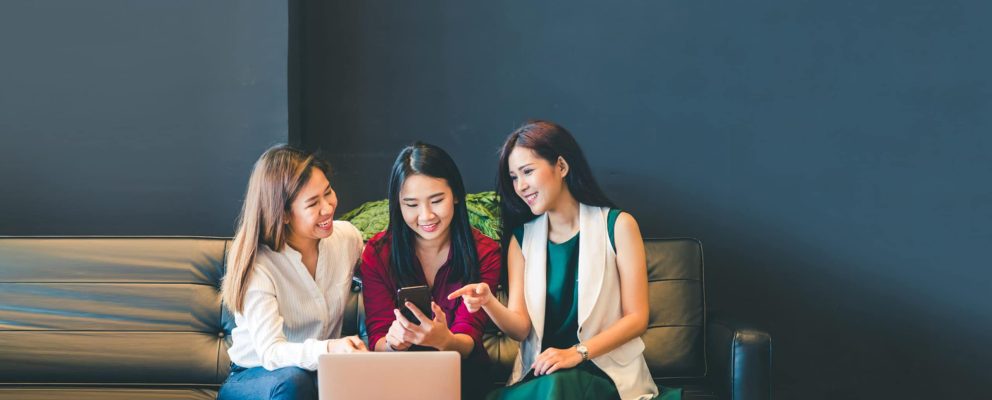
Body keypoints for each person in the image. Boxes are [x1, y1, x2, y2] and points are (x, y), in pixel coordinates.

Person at [449, 121, 681, 400]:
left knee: (561, 386)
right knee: (554, 385)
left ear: (561, 166)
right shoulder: (521, 239)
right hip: (543, 375)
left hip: (602, 372)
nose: (521, 186)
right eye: (513, 177)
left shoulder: (618, 225)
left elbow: (637, 318)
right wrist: (488, 302)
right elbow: (521, 329)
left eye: (527, 172)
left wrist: (577, 353)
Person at [219, 144, 367, 400]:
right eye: (313, 203)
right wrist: (331, 348)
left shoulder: (347, 239)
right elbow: (272, 353)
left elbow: (383, 278)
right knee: (295, 381)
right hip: (256, 377)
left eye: (328, 192)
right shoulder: (259, 264)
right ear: (284, 214)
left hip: (317, 376)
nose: (328, 208)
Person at [360, 142, 501, 398]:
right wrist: (394, 343)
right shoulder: (378, 253)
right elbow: (378, 339)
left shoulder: (485, 252)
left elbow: (469, 338)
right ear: (398, 204)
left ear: (456, 195)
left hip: (462, 380)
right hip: (399, 383)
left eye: (436, 200)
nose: (425, 216)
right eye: (411, 205)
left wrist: (443, 340)